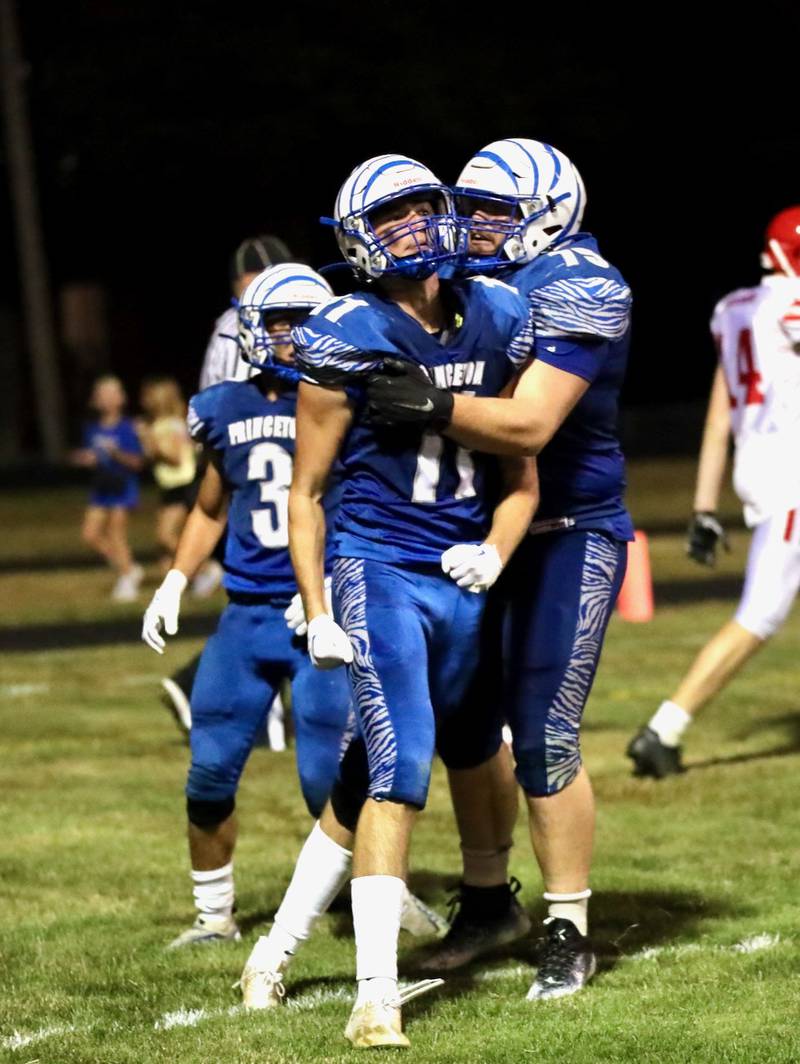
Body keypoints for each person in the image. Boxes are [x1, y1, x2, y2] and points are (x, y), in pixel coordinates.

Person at [237, 154, 538, 1049]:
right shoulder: (344, 333)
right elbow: (307, 490)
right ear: (361, 240)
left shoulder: (499, 313)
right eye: (391, 214)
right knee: (403, 766)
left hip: (461, 576)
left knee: (375, 775)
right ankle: (378, 997)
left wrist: (494, 548)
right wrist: (318, 603)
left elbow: (522, 470)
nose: (411, 225)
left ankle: (274, 951)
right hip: (379, 569)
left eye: (420, 207)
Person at [364, 138, 633, 1000]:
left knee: (545, 729)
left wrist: (435, 403)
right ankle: (488, 899)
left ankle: (568, 926)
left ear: (548, 214)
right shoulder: (480, 286)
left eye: (496, 212)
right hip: (480, 527)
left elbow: (528, 427)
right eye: (468, 207)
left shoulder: (584, 284)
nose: (474, 225)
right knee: (467, 725)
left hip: (566, 527)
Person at [141, 263, 354, 948]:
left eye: (304, 320)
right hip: (246, 615)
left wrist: (325, 590)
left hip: (318, 613)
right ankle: (213, 918)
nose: (291, 336)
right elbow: (210, 506)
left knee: (329, 776)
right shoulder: (224, 406)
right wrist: (175, 580)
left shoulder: (352, 401)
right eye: (279, 321)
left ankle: (373, 899)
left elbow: (368, 508)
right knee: (207, 773)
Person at [627, 206, 800, 778]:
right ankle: (664, 728)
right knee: (760, 615)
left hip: (759, 467)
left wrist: (704, 504)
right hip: (792, 476)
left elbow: (719, 413)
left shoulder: (733, 309)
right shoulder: (789, 308)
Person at [160, 234, 295, 730]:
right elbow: (224, 416)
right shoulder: (234, 333)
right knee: (267, 595)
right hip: (254, 475)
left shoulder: (253, 323)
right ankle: (223, 695)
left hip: (258, 472)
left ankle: (205, 688)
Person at [70, 374, 145, 601]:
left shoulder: (128, 427)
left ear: (120, 399)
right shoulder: (92, 429)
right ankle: (130, 568)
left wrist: (116, 454)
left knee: (116, 535)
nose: (106, 399)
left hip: (122, 487)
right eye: (102, 394)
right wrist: (85, 458)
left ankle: (127, 579)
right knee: (90, 535)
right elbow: (93, 456)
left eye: (112, 394)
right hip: (101, 488)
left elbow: (137, 462)